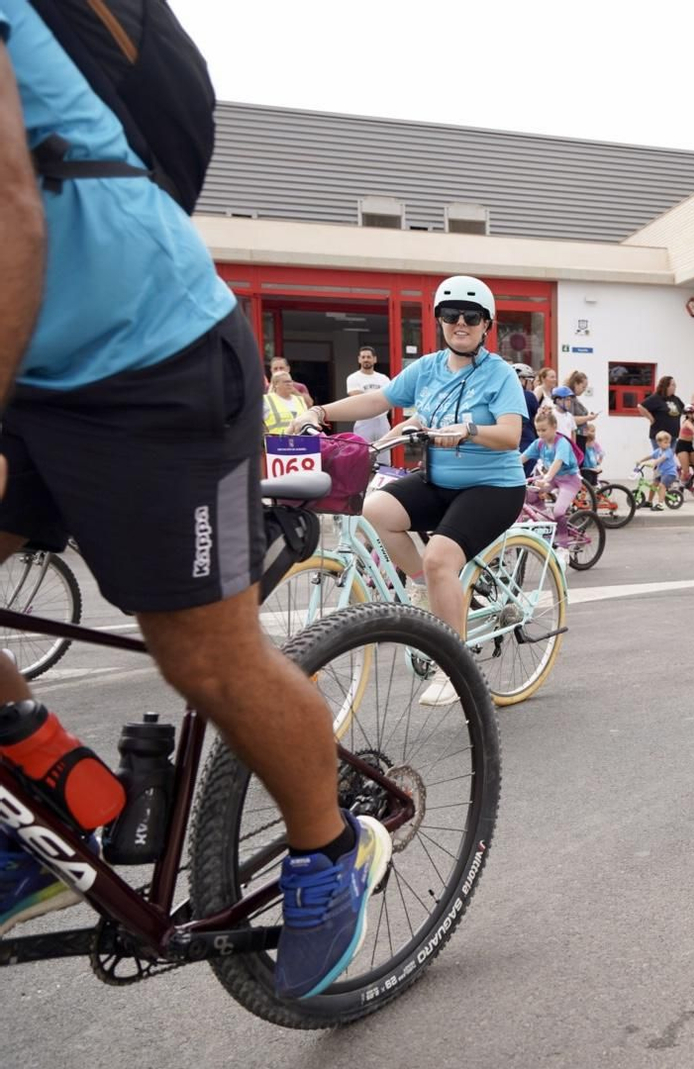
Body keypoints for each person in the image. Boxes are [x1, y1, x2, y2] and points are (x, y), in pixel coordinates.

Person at [0, 1, 385, 998]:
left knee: (206, 657)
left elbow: (12, 210)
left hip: (151, 360)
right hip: (31, 371)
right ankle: (53, 790)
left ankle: (329, 845)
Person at [292, 275, 527, 645]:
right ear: (439, 320)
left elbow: (510, 435)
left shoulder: (499, 374)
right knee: (374, 510)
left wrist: (469, 430)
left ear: (486, 324)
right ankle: (424, 586)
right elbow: (377, 400)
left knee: (439, 558)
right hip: (438, 480)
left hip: (493, 487)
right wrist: (318, 411)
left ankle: (454, 664)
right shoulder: (427, 368)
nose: (460, 323)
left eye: (471, 316)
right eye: (451, 315)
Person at [522, 408, 583, 531]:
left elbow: (557, 462)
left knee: (559, 512)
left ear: (554, 426)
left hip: (570, 480)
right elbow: (522, 458)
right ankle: (545, 515)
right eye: (538, 430)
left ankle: (563, 541)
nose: (540, 433)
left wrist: (546, 478)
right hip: (553, 478)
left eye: (544, 430)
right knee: (530, 493)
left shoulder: (562, 443)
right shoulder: (539, 443)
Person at [346, 346, 392, 442]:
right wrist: (379, 399)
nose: (366, 359)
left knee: (384, 450)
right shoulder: (353, 378)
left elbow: (389, 398)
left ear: (374, 359)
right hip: (364, 420)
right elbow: (358, 400)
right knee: (363, 450)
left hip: (382, 421)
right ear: (359, 359)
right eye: (363, 357)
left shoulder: (384, 378)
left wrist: (370, 398)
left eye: (368, 357)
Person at [636, 431, 678, 510]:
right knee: (653, 485)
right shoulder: (658, 451)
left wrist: (654, 463)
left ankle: (660, 505)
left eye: (669, 442)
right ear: (658, 443)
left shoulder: (669, 451)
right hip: (661, 473)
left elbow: (662, 458)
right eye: (665, 442)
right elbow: (650, 456)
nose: (668, 444)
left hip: (669, 473)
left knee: (662, 486)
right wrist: (640, 461)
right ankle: (649, 502)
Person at [640, 375, 685, 448]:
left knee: (670, 455)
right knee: (662, 455)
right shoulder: (657, 398)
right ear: (666, 386)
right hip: (660, 436)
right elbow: (641, 406)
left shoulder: (676, 399)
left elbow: (684, 409)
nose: (675, 387)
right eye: (673, 385)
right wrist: (650, 418)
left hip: (673, 435)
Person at [263, 371, 309, 436]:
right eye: (286, 382)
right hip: (277, 441)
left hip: (300, 440)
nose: (289, 384)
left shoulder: (300, 400)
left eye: (290, 381)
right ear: (276, 384)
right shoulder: (266, 400)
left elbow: (307, 421)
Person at [564, 370, 597, 451]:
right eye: (583, 387)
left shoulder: (574, 398)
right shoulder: (569, 399)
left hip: (581, 436)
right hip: (576, 437)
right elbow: (571, 419)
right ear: (576, 384)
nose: (584, 390)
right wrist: (588, 418)